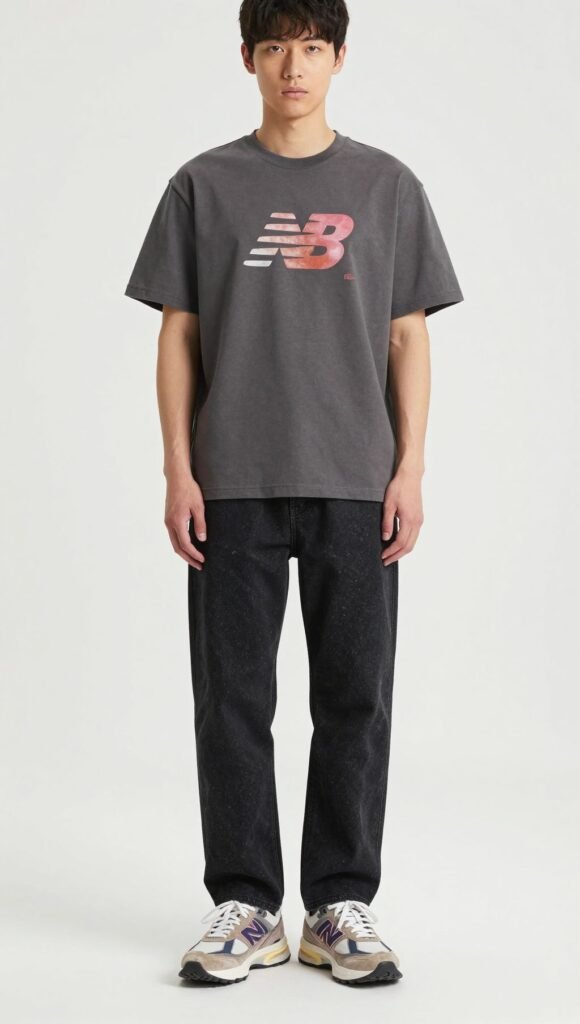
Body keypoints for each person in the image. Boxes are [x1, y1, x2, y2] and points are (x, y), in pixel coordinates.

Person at [123, 0, 464, 988]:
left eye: (312, 46)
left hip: (356, 478)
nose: (293, 66)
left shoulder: (387, 186)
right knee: (231, 699)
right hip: (233, 480)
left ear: (339, 56)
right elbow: (178, 333)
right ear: (247, 57)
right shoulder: (203, 185)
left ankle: (338, 905)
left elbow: (407, 335)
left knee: (355, 697)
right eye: (274, 46)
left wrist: (410, 467)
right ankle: (245, 904)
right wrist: (178, 467)